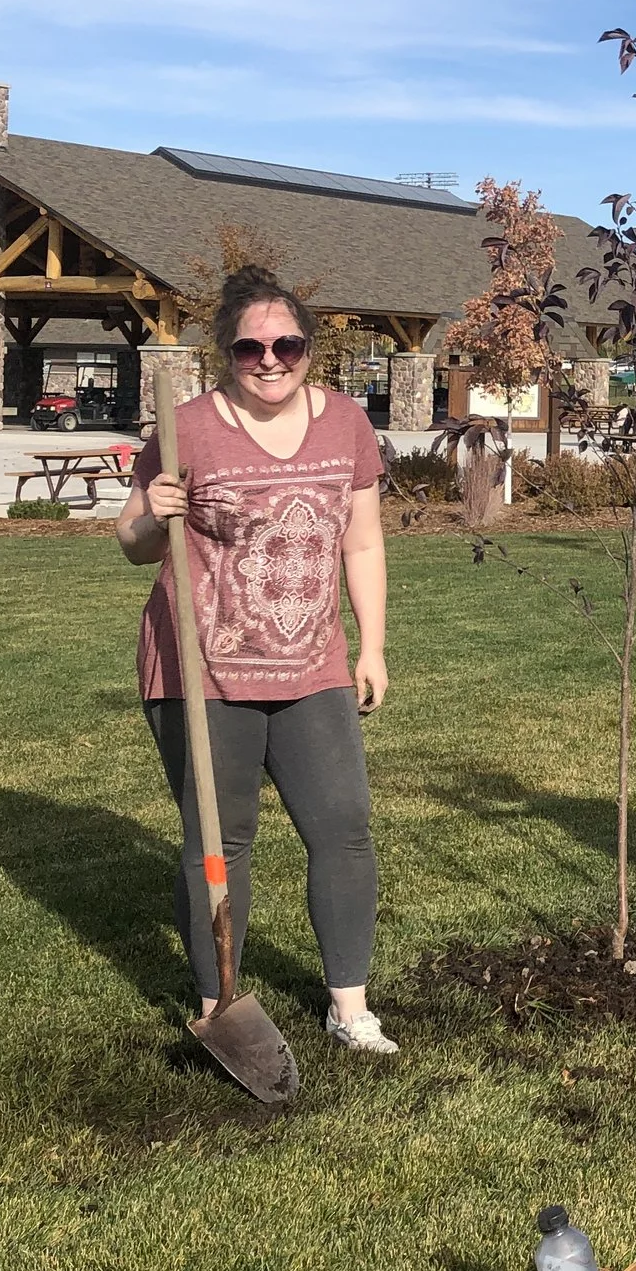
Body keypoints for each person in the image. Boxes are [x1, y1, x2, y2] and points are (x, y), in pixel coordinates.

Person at [115, 265, 398, 1054]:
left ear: (309, 346)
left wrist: (370, 645)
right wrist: (152, 517)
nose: (270, 359)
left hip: (314, 667)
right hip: (202, 673)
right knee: (218, 837)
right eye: (250, 347)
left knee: (342, 825)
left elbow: (363, 539)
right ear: (226, 353)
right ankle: (218, 1004)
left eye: (287, 344)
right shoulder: (184, 429)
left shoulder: (345, 424)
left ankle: (350, 1006)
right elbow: (132, 543)